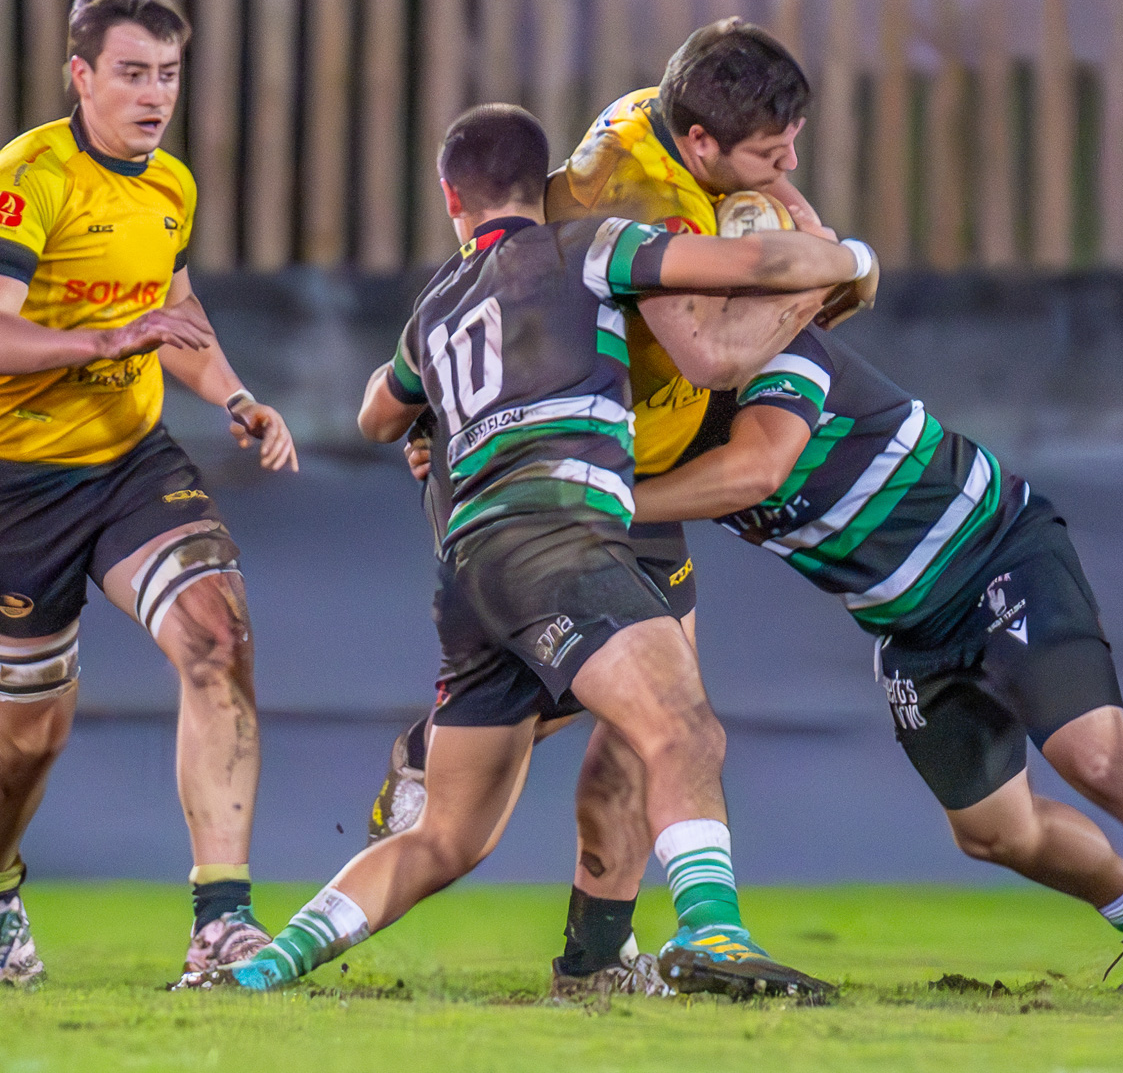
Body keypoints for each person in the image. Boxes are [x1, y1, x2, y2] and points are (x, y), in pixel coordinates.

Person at [178, 104, 869, 998]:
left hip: (471, 567)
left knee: (446, 836)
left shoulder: (435, 303)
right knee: (684, 725)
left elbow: (373, 415)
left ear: (449, 195)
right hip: (561, 536)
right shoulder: (589, 246)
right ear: (543, 182)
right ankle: (716, 934)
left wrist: (434, 410)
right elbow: (742, 262)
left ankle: (260, 971)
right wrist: (850, 259)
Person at [557, 317, 1123, 1002]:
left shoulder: (771, 346)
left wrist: (611, 493)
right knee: (994, 830)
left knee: (1098, 758)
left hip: (995, 554)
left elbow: (757, 470)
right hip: (909, 631)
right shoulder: (654, 433)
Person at [367, 19, 854, 992]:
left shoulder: (651, 117)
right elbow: (714, 352)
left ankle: (594, 959)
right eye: (771, 149)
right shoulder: (644, 205)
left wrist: (808, 228)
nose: (789, 164)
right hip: (580, 476)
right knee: (650, 719)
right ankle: (693, 937)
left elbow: (384, 403)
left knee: (651, 725)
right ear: (703, 142)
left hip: (606, 466)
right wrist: (843, 266)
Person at [0, 0, 299, 985]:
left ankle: (221, 920)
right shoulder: (27, 179)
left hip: (127, 463)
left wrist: (234, 392)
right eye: (133, 74)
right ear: (80, 75)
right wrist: (115, 332)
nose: (154, 95)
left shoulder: (170, 184)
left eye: (169, 75)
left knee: (217, 632)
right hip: (9, 486)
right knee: (29, 736)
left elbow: (176, 314)